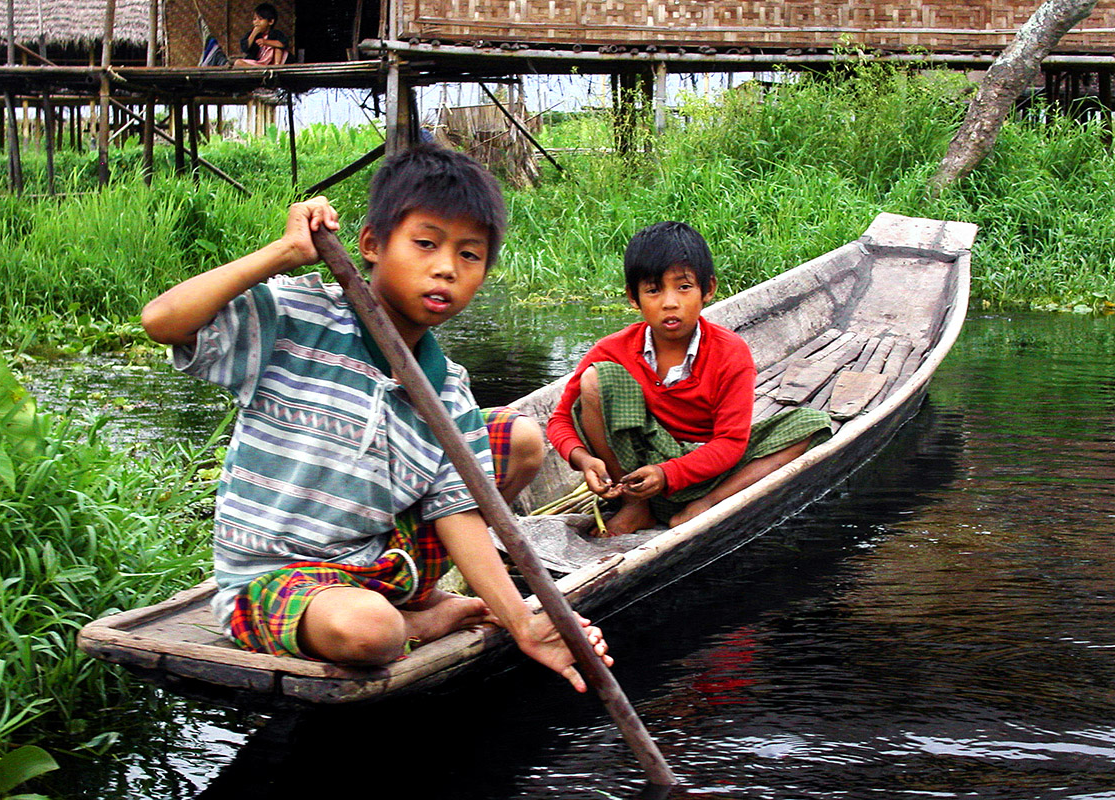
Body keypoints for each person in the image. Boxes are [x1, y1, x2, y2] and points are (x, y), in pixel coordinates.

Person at [141, 145, 609, 691]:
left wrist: (523, 622)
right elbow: (162, 321)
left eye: (469, 255)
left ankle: (418, 597)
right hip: (272, 578)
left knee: (518, 439)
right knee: (373, 632)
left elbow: (460, 512)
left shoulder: (446, 391)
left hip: (375, 560)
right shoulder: (296, 319)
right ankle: (418, 618)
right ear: (370, 245)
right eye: (426, 244)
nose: (445, 269)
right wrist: (283, 253)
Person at [546, 221, 833, 537]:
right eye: (654, 290)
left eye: (683, 287)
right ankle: (634, 507)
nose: (670, 302)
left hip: (708, 474)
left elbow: (731, 443)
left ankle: (709, 504)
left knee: (809, 423)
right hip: (640, 476)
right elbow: (559, 419)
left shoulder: (730, 353)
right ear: (633, 297)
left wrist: (668, 473)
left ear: (707, 290)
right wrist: (584, 459)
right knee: (594, 381)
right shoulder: (613, 349)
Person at [233, 3, 289, 67]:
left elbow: (283, 44)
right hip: (258, 62)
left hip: (272, 63)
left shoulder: (276, 33)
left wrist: (266, 42)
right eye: (254, 19)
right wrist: (253, 34)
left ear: (270, 22)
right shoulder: (251, 34)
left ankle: (276, 67)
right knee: (238, 62)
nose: (256, 22)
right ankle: (257, 69)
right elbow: (245, 48)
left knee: (278, 47)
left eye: (260, 19)